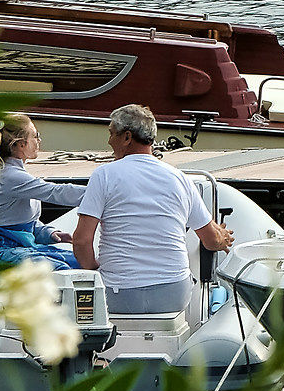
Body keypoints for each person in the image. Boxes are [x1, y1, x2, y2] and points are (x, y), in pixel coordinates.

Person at [72, 102, 234, 320]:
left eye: (111, 134)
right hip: (172, 293)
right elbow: (212, 241)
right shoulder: (179, 178)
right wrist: (221, 238)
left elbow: (81, 241)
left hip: (119, 295)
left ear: (127, 137)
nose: (109, 141)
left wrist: (93, 269)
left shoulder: (104, 175)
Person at [0, 113, 83, 269]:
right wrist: (100, 193)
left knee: (83, 261)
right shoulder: (9, 176)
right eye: (36, 136)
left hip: (20, 249)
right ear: (22, 144)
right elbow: (56, 192)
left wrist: (48, 233)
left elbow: (19, 223)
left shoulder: (13, 175)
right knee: (59, 269)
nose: (39, 141)